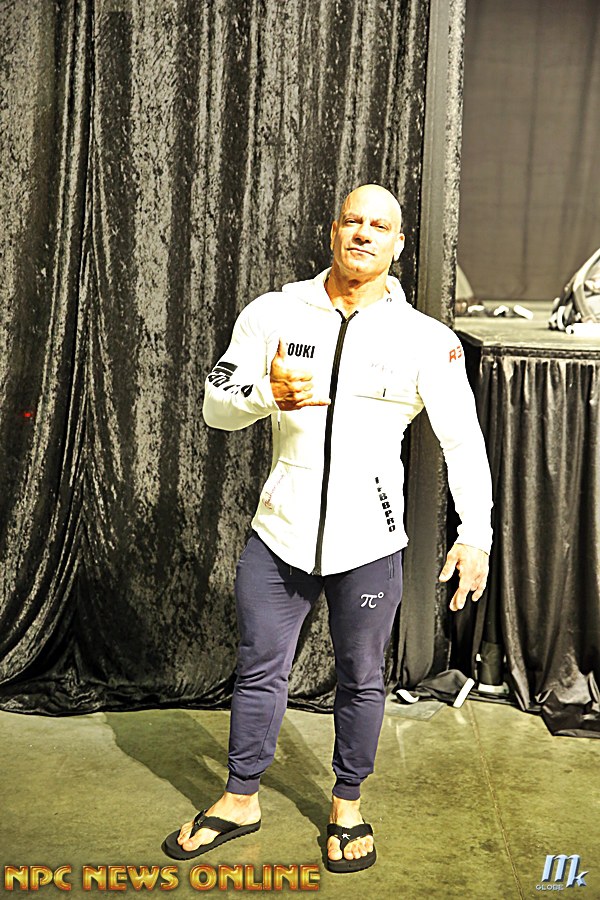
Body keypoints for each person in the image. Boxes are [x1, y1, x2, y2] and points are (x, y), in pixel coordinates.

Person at [162, 184, 492, 873]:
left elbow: (464, 444)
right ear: (334, 231)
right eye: (353, 220)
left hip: (369, 543)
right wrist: (266, 394)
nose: (363, 233)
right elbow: (216, 406)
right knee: (259, 666)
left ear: (398, 244)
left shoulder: (427, 340)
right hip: (279, 535)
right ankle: (240, 798)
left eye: (380, 225)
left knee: (361, 675)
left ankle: (347, 805)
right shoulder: (274, 312)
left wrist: (476, 536)